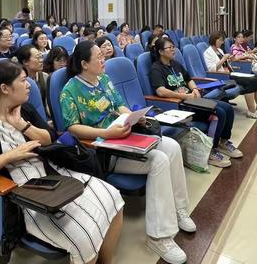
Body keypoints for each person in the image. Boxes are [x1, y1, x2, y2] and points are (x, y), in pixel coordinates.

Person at [0, 60, 124, 264]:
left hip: (51, 175)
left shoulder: (23, 110)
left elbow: (50, 138)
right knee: (83, 237)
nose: (29, 85)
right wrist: (8, 156)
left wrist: (22, 125)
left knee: (114, 197)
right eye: (23, 81)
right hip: (23, 194)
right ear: (4, 88)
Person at [60, 41, 196, 264]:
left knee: (171, 146)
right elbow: (72, 127)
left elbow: (119, 105)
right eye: (98, 57)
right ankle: (159, 236)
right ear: (84, 64)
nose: (104, 59)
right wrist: (107, 132)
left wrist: (134, 117)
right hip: (103, 146)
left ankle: (180, 210)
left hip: (122, 134)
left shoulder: (103, 79)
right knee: (159, 160)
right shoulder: (70, 90)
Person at [150, 37, 243, 168]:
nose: (173, 50)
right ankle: (210, 151)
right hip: (180, 105)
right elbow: (161, 91)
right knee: (220, 113)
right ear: (160, 51)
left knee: (227, 108)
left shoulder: (175, 64)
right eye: (169, 47)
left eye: (173, 47)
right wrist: (184, 96)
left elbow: (189, 79)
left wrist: (194, 89)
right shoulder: (156, 68)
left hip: (193, 100)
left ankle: (224, 141)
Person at [203, 32, 257, 120]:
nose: (222, 42)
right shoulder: (207, 52)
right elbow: (212, 70)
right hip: (222, 76)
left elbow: (226, 64)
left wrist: (229, 59)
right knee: (250, 81)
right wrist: (224, 59)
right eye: (220, 40)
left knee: (254, 80)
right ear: (214, 40)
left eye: (222, 40)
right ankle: (252, 112)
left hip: (230, 72)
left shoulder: (219, 50)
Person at [14, 45, 49, 113]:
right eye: (37, 58)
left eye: (41, 57)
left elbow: (47, 104)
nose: (41, 60)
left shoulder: (45, 77)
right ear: (25, 62)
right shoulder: (18, 82)